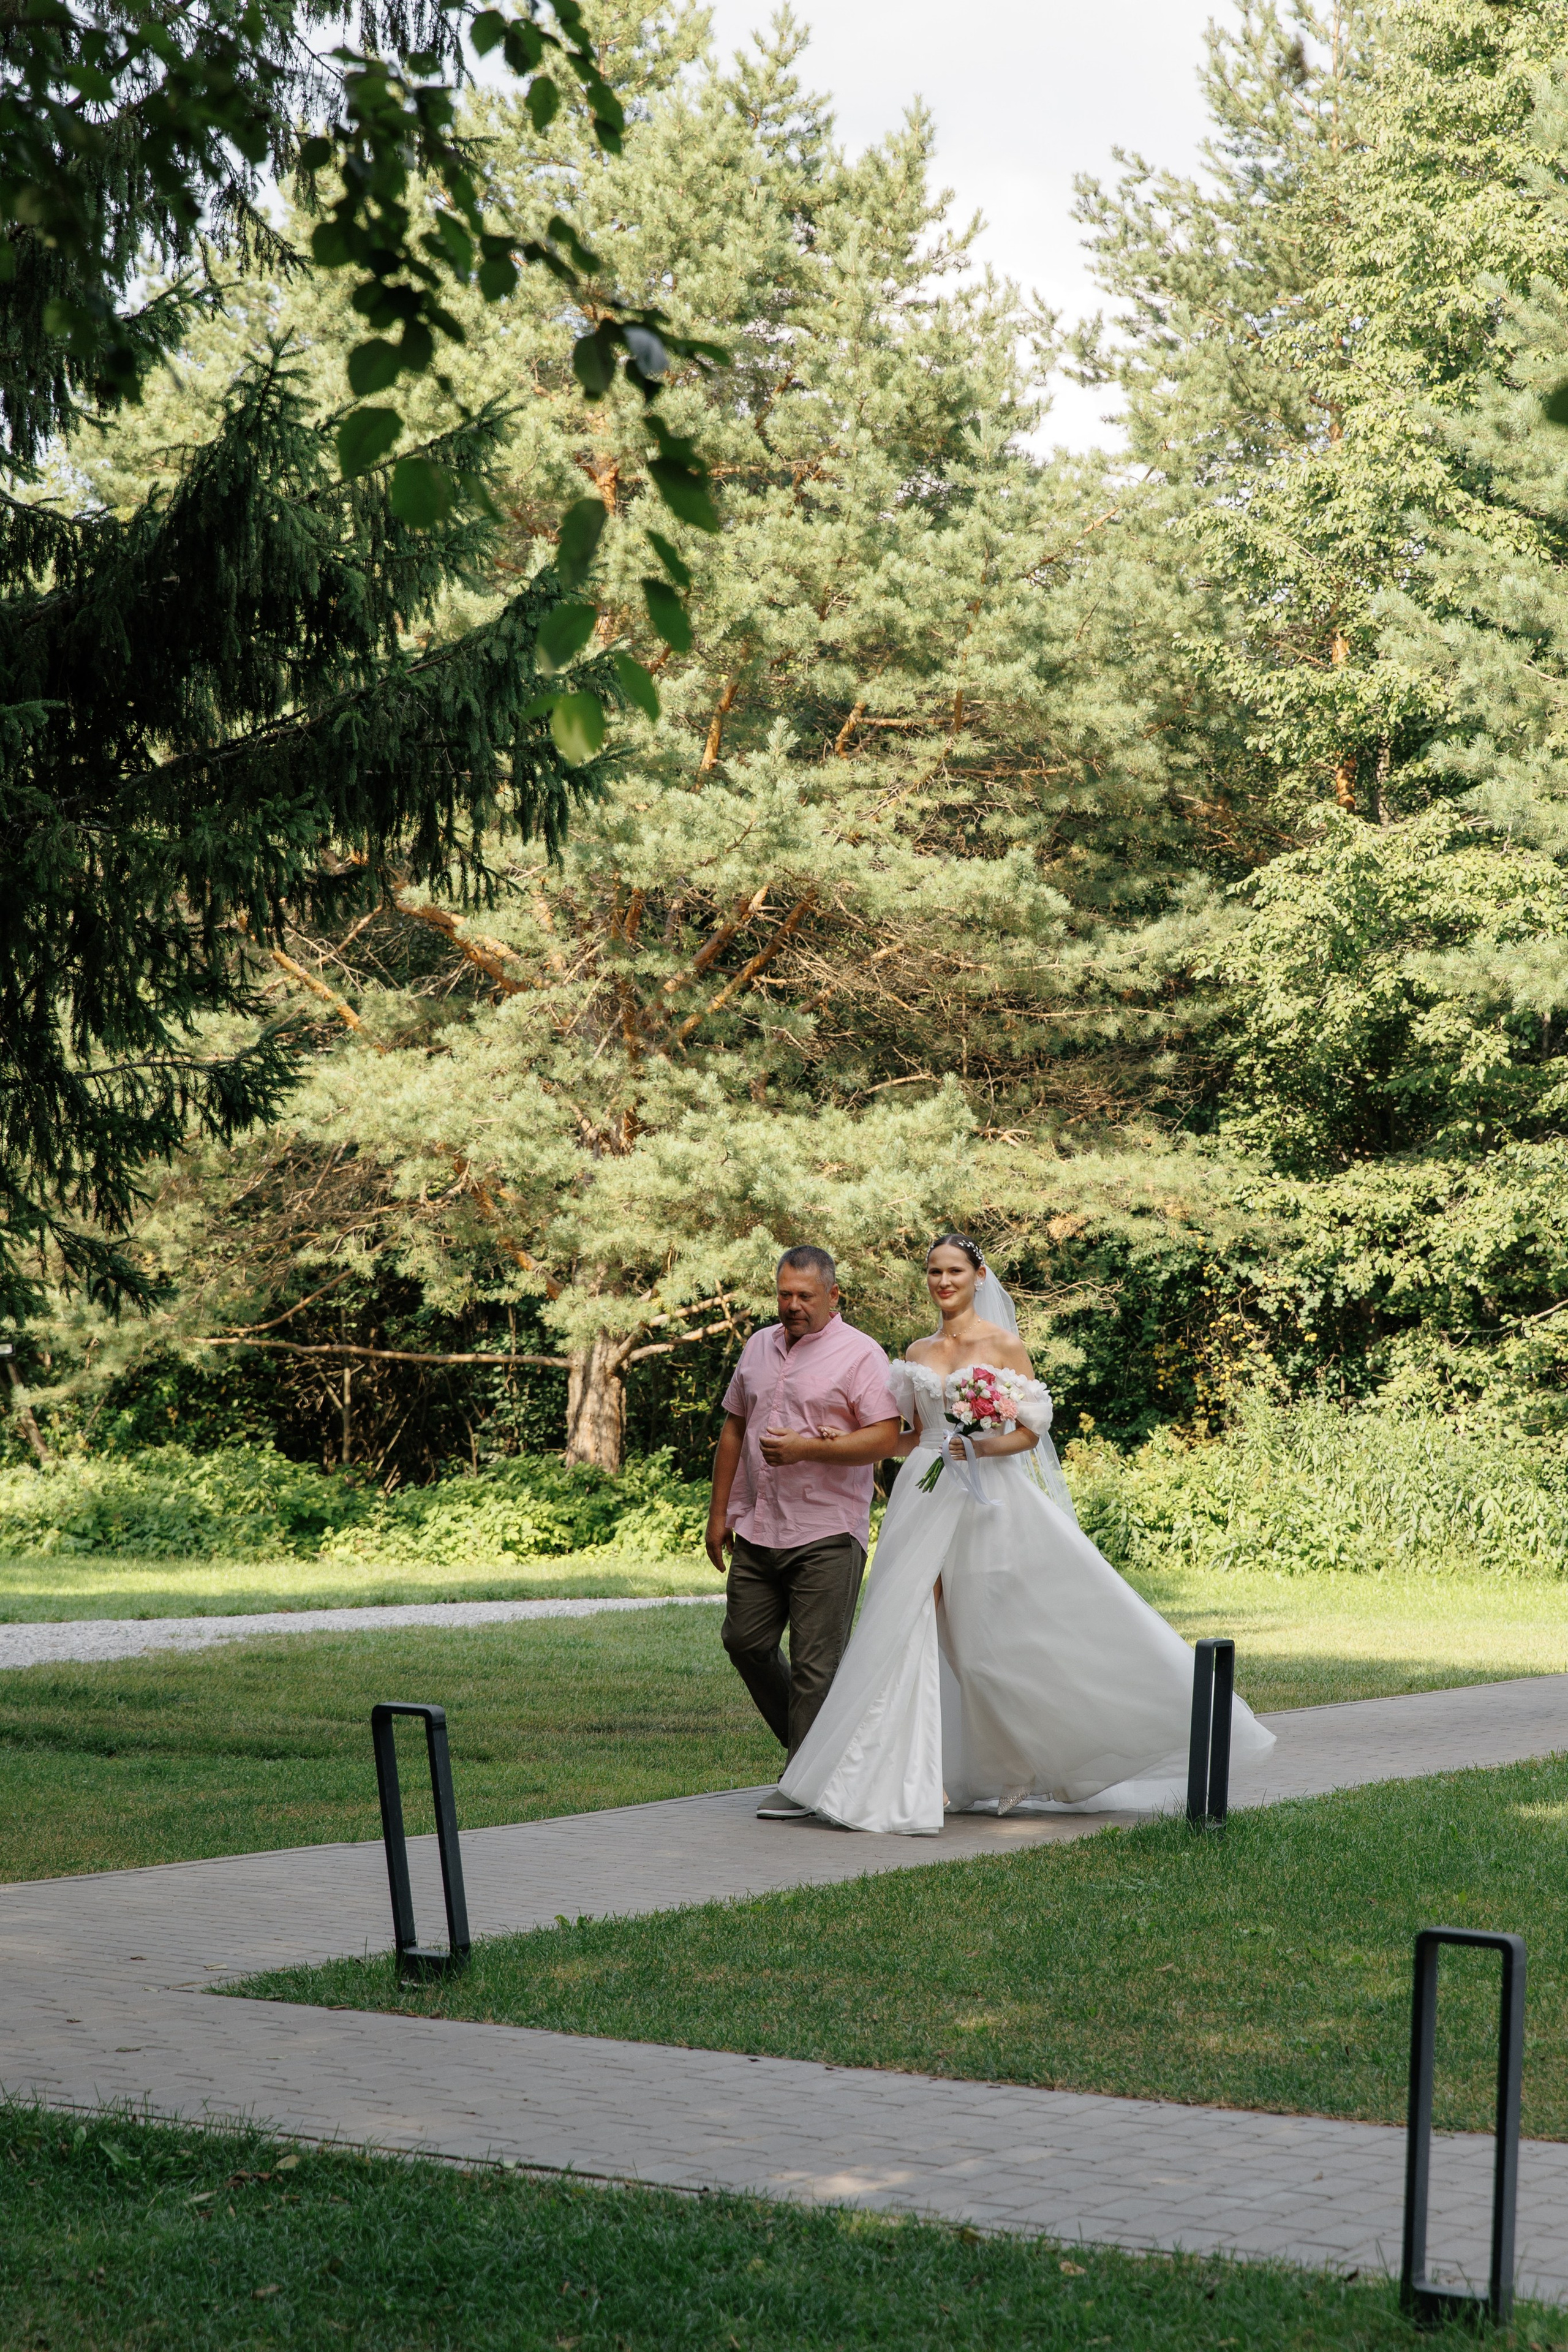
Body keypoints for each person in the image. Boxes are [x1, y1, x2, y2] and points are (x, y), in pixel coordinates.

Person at [777, 1232, 1275, 1835]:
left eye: (953, 1271)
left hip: (986, 1500)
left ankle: (1025, 1757)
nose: (942, 1282)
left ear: (978, 1276)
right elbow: (911, 1436)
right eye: (933, 1272)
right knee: (904, 1626)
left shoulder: (1003, 1345)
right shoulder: (915, 1349)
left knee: (981, 1645)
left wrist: (976, 1446)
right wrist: (851, 1444)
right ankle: (904, 1777)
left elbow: (1028, 1434)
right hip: (923, 1495)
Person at [707, 1245, 901, 1820]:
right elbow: (735, 1430)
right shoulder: (757, 1347)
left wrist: (807, 1450)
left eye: (805, 1296)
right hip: (760, 1525)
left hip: (827, 1530)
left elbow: (886, 1438)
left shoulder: (861, 1355)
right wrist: (719, 1514)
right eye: (784, 1295)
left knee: (818, 1663)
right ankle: (825, 1752)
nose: (792, 1306)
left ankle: (802, 1780)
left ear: (834, 1295)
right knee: (744, 1642)